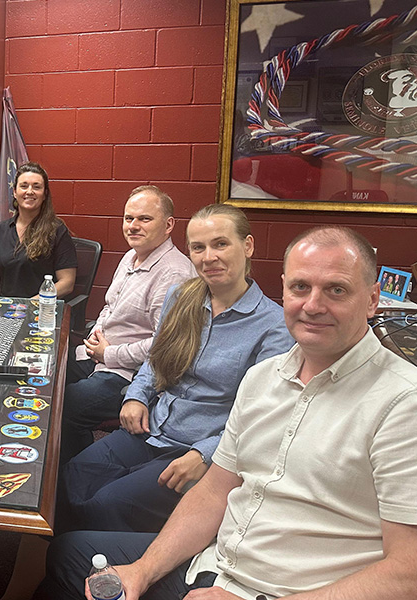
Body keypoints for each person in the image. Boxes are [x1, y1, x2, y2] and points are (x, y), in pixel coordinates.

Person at [36, 226, 417, 600]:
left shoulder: (402, 402)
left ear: (372, 299)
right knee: (70, 554)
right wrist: (143, 569)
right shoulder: (263, 378)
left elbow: (409, 573)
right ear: (285, 288)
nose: (313, 305)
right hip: (218, 562)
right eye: (301, 287)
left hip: (285, 589)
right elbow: (215, 491)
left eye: (337, 290)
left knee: (105, 507)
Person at [60, 204, 293, 534]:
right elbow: (156, 358)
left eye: (220, 244)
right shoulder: (181, 298)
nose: (208, 257)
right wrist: (136, 396)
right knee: (72, 475)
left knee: (109, 502)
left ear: (248, 246)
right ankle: (67, 552)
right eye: (198, 247)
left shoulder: (273, 326)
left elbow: (261, 417)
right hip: (152, 429)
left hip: (196, 448)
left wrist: (206, 455)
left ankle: (102, 557)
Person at [60, 186, 196, 462]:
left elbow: (165, 346)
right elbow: (110, 306)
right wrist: (97, 333)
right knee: (45, 377)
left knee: (65, 405)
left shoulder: (174, 274)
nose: (133, 226)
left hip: (129, 374)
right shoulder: (130, 257)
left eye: (144, 219)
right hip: (97, 355)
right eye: (128, 218)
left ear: (169, 225)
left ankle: (71, 472)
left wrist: (108, 353)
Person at [0, 162, 77, 298]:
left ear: (44, 194)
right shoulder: (0, 230)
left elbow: (67, 283)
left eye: (36, 187)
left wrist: (29, 304)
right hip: (6, 306)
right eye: (24, 186)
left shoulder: (57, 231)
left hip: (42, 307)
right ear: (15, 192)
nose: (30, 191)